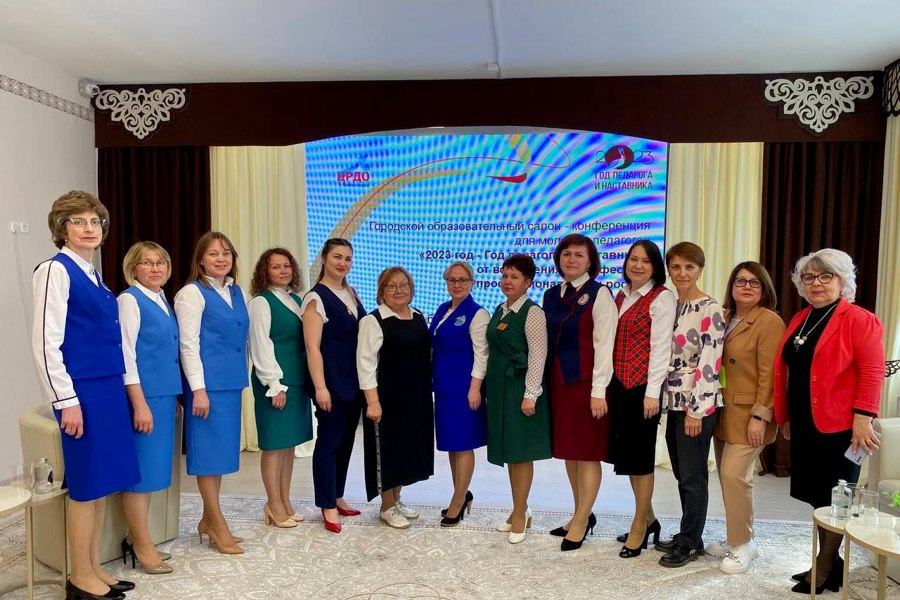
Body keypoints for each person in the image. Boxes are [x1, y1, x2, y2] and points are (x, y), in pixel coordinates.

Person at [32, 191, 139, 600]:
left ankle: (93, 566)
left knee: (101, 483)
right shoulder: (54, 270)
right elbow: (46, 344)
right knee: (86, 485)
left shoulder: (93, 274)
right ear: (62, 229)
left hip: (107, 388)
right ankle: (79, 577)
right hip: (82, 392)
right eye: (78, 221)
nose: (89, 228)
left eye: (95, 221)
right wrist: (65, 401)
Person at [774, 249, 884, 594]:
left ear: (842, 280)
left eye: (826, 276)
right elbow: (789, 371)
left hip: (843, 425)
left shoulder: (859, 319)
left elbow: (873, 371)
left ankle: (823, 566)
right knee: (817, 495)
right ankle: (831, 563)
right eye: (809, 277)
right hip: (806, 421)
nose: (816, 283)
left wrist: (864, 417)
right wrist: (785, 415)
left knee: (837, 496)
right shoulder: (801, 318)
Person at [707, 262, 785, 573]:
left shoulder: (768, 321)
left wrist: (761, 415)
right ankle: (738, 537)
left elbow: (772, 374)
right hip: (722, 410)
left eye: (754, 282)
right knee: (732, 480)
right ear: (732, 286)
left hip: (750, 413)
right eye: (740, 281)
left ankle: (743, 544)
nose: (747, 287)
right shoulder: (725, 317)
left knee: (733, 475)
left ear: (764, 288)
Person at [174, 231, 248, 555]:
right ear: (201, 259)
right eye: (213, 253)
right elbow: (188, 345)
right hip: (207, 387)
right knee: (206, 457)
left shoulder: (235, 291)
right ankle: (218, 525)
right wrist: (198, 390)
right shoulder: (191, 293)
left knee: (218, 456)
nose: (221, 258)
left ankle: (207, 519)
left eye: (226, 253)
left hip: (230, 384)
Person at [543, 234, 617, 551]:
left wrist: (599, 390)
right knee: (570, 453)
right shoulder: (551, 295)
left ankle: (583, 519)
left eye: (579, 255)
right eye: (567, 254)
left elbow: (605, 346)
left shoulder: (600, 294)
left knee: (586, 454)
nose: (571, 259)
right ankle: (580, 513)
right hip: (559, 384)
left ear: (590, 262)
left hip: (588, 385)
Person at [654, 241, 726, 568]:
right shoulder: (671, 304)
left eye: (689, 267)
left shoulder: (710, 308)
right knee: (682, 474)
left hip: (696, 404)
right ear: (668, 270)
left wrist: (696, 411)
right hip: (672, 402)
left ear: (700, 270)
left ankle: (690, 542)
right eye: (676, 267)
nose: (682, 273)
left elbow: (711, 363)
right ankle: (689, 534)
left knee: (694, 477)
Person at [608, 240, 676, 558]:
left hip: (643, 389)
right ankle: (648, 519)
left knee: (641, 459)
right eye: (633, 259)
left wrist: (652, 393)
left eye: (645, 261)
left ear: (654, 267)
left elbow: (661, 348)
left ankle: (639, 526)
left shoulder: (662, 297)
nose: (637, 265)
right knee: (629, 459)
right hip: (619, 386)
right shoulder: (621, 295)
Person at [117, 242, 180, 575]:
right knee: (141, 478)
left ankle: (135, 537)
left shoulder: (161, 299)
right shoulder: (129, 300)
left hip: (163, 396)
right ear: (133, 268)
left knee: (153, 473)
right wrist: (140, 404)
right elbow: (126, 357)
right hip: (145, 398)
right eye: (147, 262)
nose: (155, 268)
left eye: (160, 262)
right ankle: (142, 546)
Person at [357, 266, 434, 528]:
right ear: (382, 291)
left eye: (404, 285)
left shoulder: (418, 316)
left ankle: (397, 499)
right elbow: (365, 365)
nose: (399, 290)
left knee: (405, 451)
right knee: (388, 452)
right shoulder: (373, 321)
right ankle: (386, 506)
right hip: (386, 399)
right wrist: (372, 402)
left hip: (415, 397)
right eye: (391, 286)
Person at [302, 238, 366, 534]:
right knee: (328, 444)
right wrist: (320, 387)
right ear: (324, 258)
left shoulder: (351, 293)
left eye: (348, 259)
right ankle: (327, 504)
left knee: (346, 443)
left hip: (354, 383)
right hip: (331, 383)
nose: (343, 263)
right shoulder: (315, 298)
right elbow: (312, 348)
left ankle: (337, 495)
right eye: (337, 257)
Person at [486, 253, 551, 544]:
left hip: (520, 389)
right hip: (500, 388)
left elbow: (538, 355)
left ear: (528, 282)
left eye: (514, 277)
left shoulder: (532, 312)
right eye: (504, 276)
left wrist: (530, 395)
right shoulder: (501, 309)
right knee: (511, 452)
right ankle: (519, 509)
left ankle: (520, 515)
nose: (507, 281)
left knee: (521, 453)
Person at [248, 248, 313, 529]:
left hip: (297, 381)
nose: (283, 271)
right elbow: (260, 344)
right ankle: (273, 504)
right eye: (276, 267)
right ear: (265, 272)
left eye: (287, 266)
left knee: (289, 446)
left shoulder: (296, 299)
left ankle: (285, 501)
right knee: (274, 446)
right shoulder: (260, 302)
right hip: (275, 383)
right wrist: (274, 385)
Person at [430, 261, 489, 527]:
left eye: (462, 280)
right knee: (452, 445)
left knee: (463, 444)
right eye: (452, 280)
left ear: (472, 283)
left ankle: (458, 500)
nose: (457, 285)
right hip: (444, 389)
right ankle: (461, 493)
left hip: (465, 390)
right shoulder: (443, 309)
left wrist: (474, 389)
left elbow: (482, 355)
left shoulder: (477, 313)